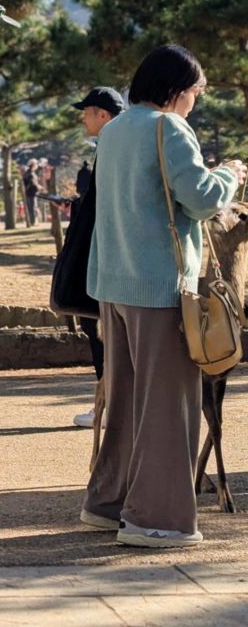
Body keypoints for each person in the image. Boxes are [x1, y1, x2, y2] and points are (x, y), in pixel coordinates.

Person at [82, 45, 246, 548]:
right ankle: (157, 519)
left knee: (128, 402)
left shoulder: (112, 130)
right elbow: (199, 198)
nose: (195, 101)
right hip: (160, 287)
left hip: (114, 284)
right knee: (169, 407)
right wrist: (231, 174)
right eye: (195, 91)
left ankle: (107, 504)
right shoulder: (168, 128)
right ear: (177, 90)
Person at [67, 86, 126, 428]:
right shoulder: (115, 145)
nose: (83, 118)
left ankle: (107, 406)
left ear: (102, 114)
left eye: (87, 112)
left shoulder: (112, 147)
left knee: (98, 326)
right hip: (112, 252)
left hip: (108, 255)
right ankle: (108, 403)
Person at [22, 160, 39, 226]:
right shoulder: (31, 174)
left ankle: (32, 221)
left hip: (28, 193)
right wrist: (38, 187)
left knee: (30, 208)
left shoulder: (26, 173)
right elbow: (32, 184)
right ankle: (33, 222)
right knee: (33, 208)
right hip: (32, 193)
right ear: (33, 165)